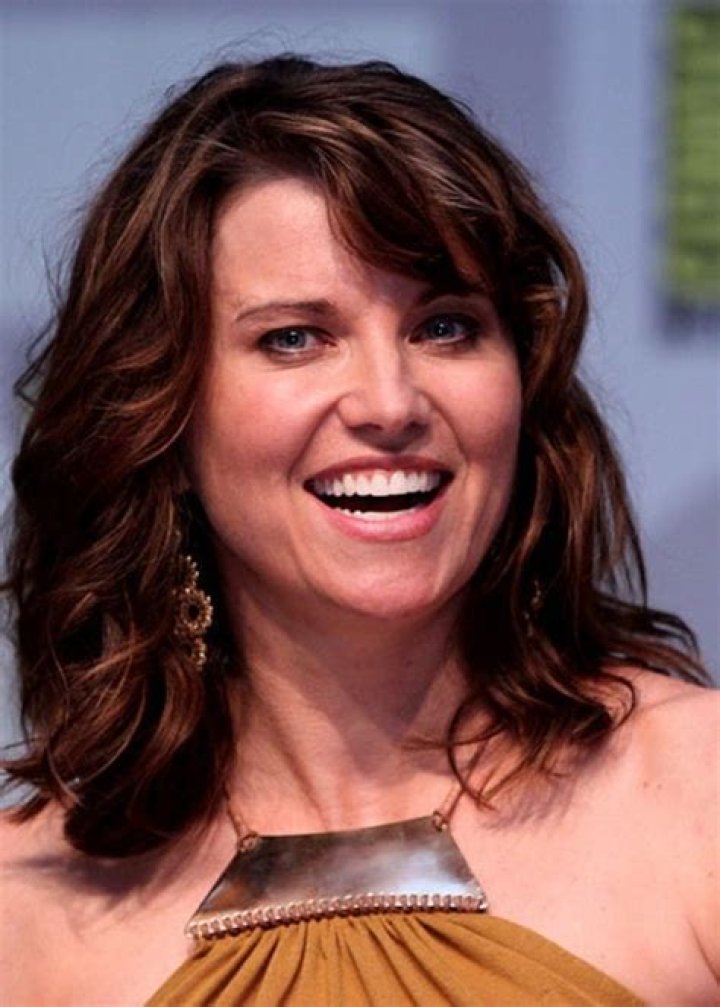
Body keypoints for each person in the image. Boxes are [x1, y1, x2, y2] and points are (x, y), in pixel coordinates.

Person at [0, 54, 717, 1007]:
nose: (390, 401)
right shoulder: (24, 913)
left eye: (445, 326)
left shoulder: (697, 794)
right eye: (295, 337)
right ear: (162, 415)